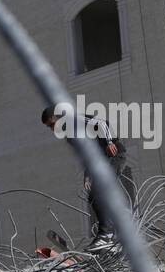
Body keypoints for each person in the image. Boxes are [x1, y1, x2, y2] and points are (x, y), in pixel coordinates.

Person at [42, 105, 135, 244]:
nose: (52, 129)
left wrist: (109, 142)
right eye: (49, 127)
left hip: (114, 155)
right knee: (93, 195)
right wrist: (87, 174)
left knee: (100, 188)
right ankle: (115, 224)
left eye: (52, 124)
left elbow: (102, 123)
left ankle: (107, 233)